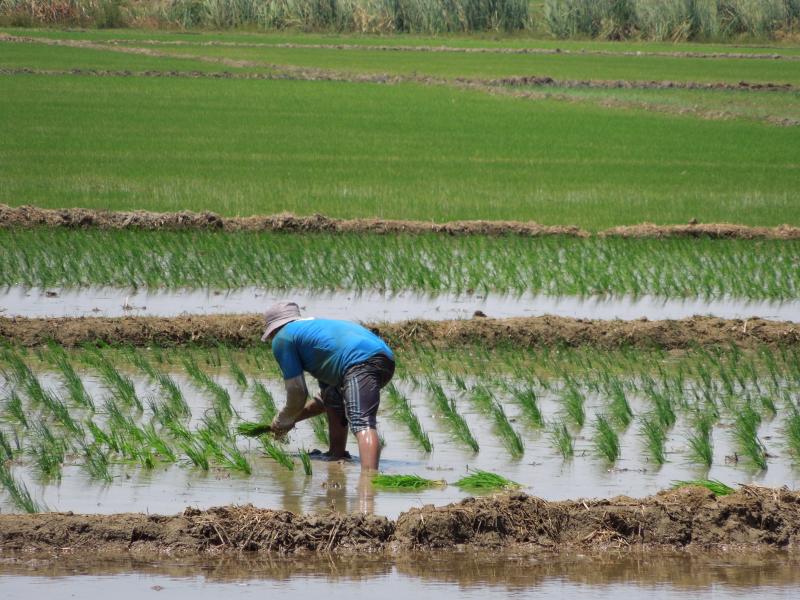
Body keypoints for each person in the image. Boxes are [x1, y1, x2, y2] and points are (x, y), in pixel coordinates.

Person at [261, 301, 395, 472]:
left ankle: (368, 484)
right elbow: (323, 402)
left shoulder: (283, 337)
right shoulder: (315, 334)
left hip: (360, 361)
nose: (272, 340)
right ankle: (336, 453)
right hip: (384, 358)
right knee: (332, 396)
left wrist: (283, 419)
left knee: (362, 421)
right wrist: (290, 421)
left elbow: (297, 393)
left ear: (273, 329)